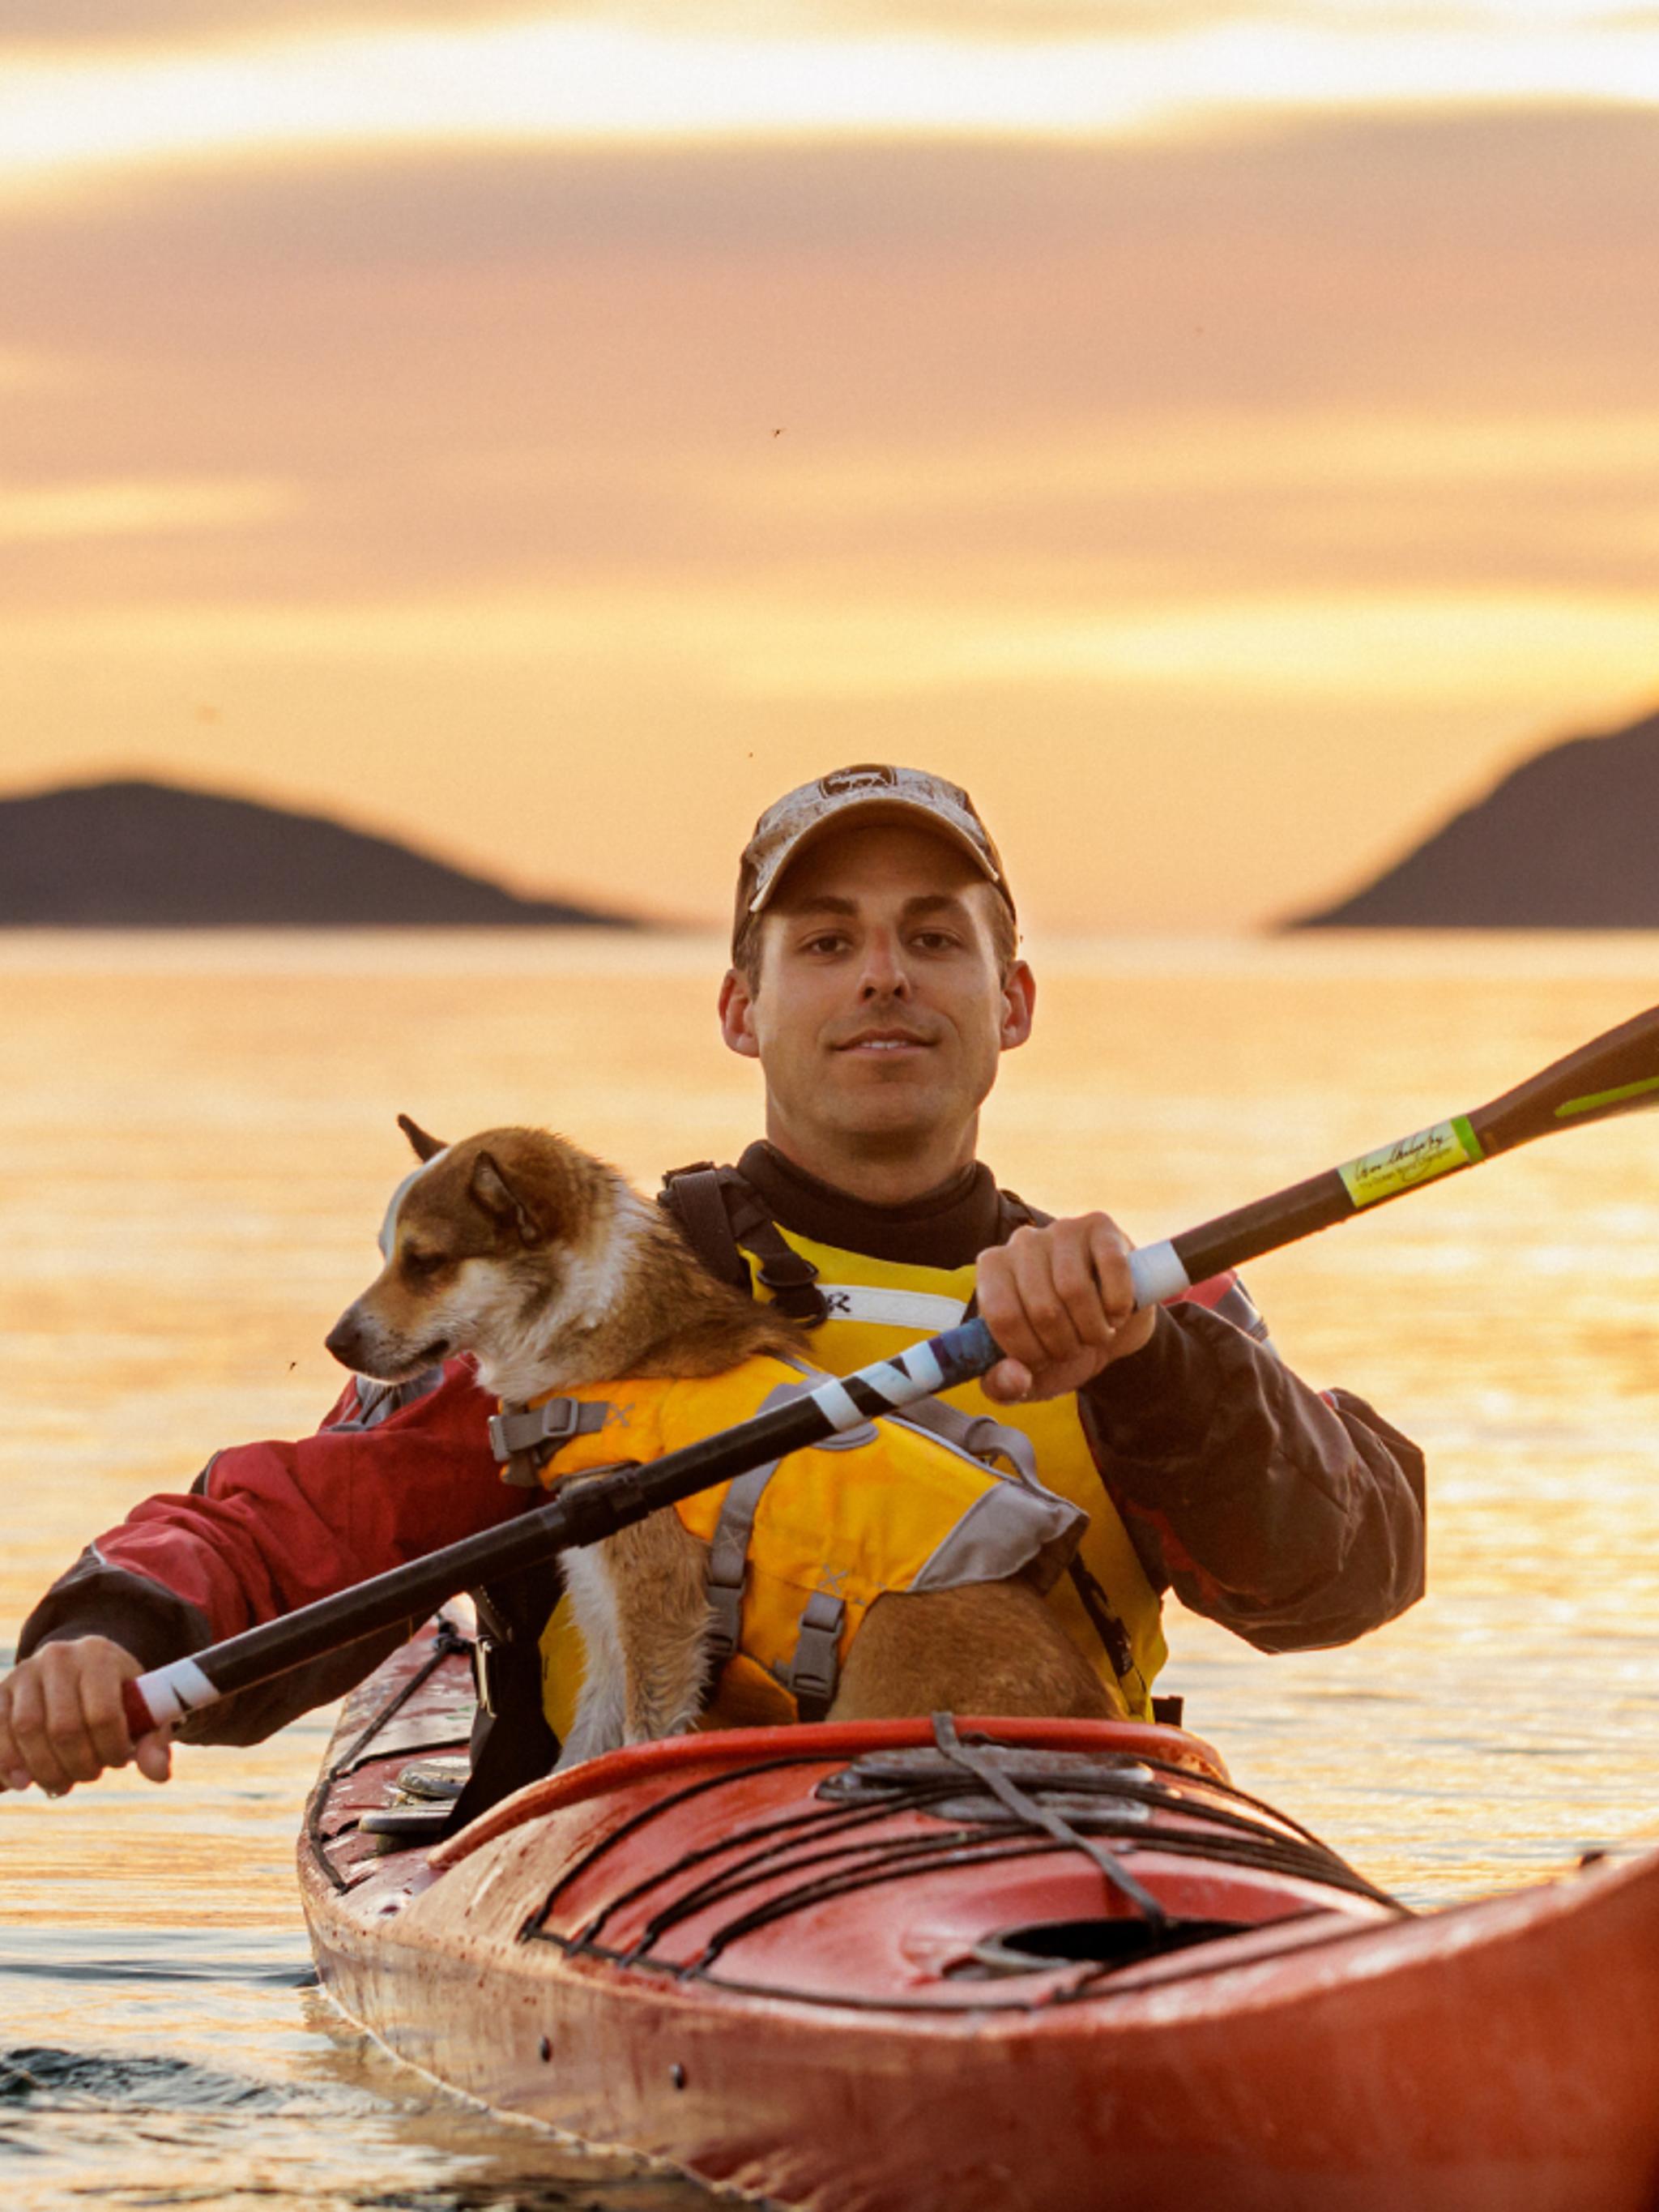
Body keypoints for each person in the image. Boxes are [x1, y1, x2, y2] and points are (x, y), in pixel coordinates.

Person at [0, 764, 1425, 1802]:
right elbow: (314, 1519)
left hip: (1057, 1835)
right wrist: (111, 1625)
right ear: (741, 1009)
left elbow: (1350, 1575)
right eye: (825, 943)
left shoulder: (1147, 1305)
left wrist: (1150, 1363)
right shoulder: (588, 1300)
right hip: (648, 1871)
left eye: (935, 938)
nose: (883, 978)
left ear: (1015, 1004)